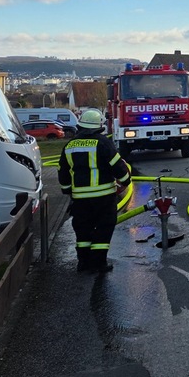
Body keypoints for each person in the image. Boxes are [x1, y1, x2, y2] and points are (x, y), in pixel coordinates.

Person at [58, 108, 131, 272]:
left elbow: (63, 171)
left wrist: (67, 190)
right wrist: (126, 180)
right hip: (104, 197)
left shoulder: (69, 146)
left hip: (80, 200)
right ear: (99, 126)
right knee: (104, 228)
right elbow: (117, 165)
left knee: (83, 230)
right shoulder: (103, 143)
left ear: (81, 126)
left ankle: (83, 262)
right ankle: (98, 263)